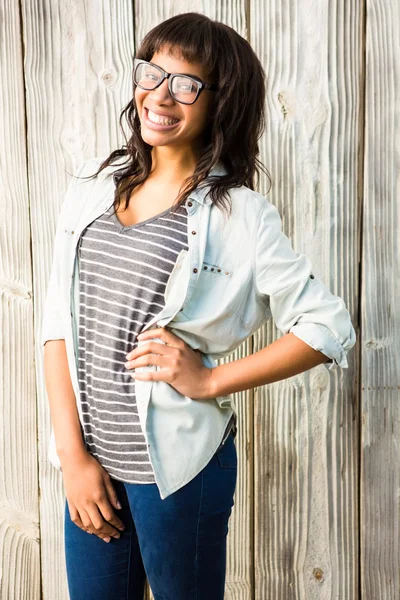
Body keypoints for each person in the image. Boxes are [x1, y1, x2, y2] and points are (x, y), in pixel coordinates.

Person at [41, 12, 356, 600]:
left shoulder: (239, 214)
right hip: (94, 466)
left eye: (187, 84)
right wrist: (73, 458)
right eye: (152, 73)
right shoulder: (92, 185)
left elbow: (327, 325)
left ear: (221, 103)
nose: (161, 95)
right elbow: (59, 323)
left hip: (181, 473)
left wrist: (210, 381)